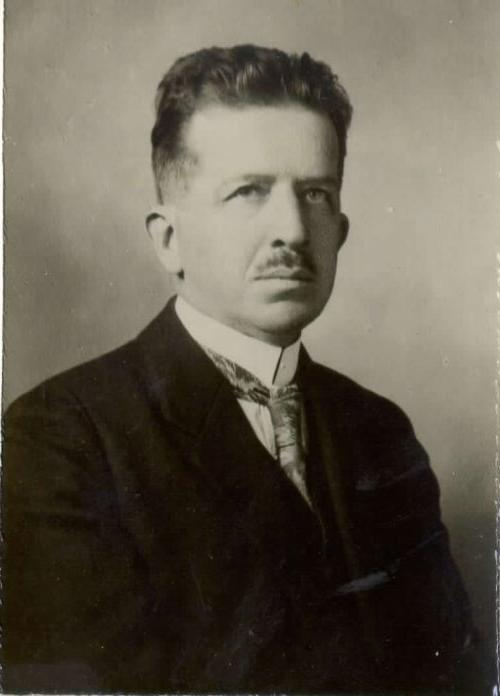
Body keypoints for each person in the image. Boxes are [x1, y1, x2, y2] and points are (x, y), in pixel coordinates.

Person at [3, 45, 480, 693]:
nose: (293, 229)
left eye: (315, 194)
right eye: (248, 192)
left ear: (340, 231)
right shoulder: (60, 438)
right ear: (168, 238)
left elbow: (455, 673)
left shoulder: (380, 430)